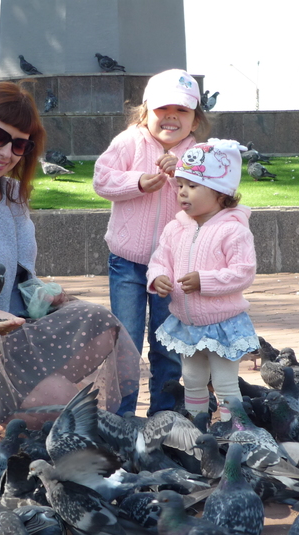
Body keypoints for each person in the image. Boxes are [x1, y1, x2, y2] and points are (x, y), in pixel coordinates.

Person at [0, 82, 141, 450]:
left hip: (14, 334)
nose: (7, 153)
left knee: (100, 321)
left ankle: (23, 412)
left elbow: (22, 278)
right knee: (63, 400)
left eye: (19, 144)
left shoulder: (13, 195)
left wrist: (44, 297)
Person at [93, 69, 211, 415]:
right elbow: (102, 180)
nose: (171, 116)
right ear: (145, 112)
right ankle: (121, 417)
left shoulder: (200, 154)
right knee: (126, 342)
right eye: (163, 109)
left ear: (195, 119)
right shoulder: (128, 142)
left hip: (174, 267)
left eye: (182, 110)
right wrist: (138, 182)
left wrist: (183, 174)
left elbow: (211, 200)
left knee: (168, 343)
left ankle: (166, 414)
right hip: (127, 262)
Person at [146, 139, 259, 422]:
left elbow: (243, 272)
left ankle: (236, 431)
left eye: (192, 186)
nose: (182, 192)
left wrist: (205, 281)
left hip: (223, 323)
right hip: (187, 323)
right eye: (180, 185)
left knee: (224, 383)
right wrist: (158, 277)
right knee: (192, 379)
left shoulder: (233, 231)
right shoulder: (175, 228)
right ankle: (198, 431)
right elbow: (160, 259)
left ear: (221, 193)